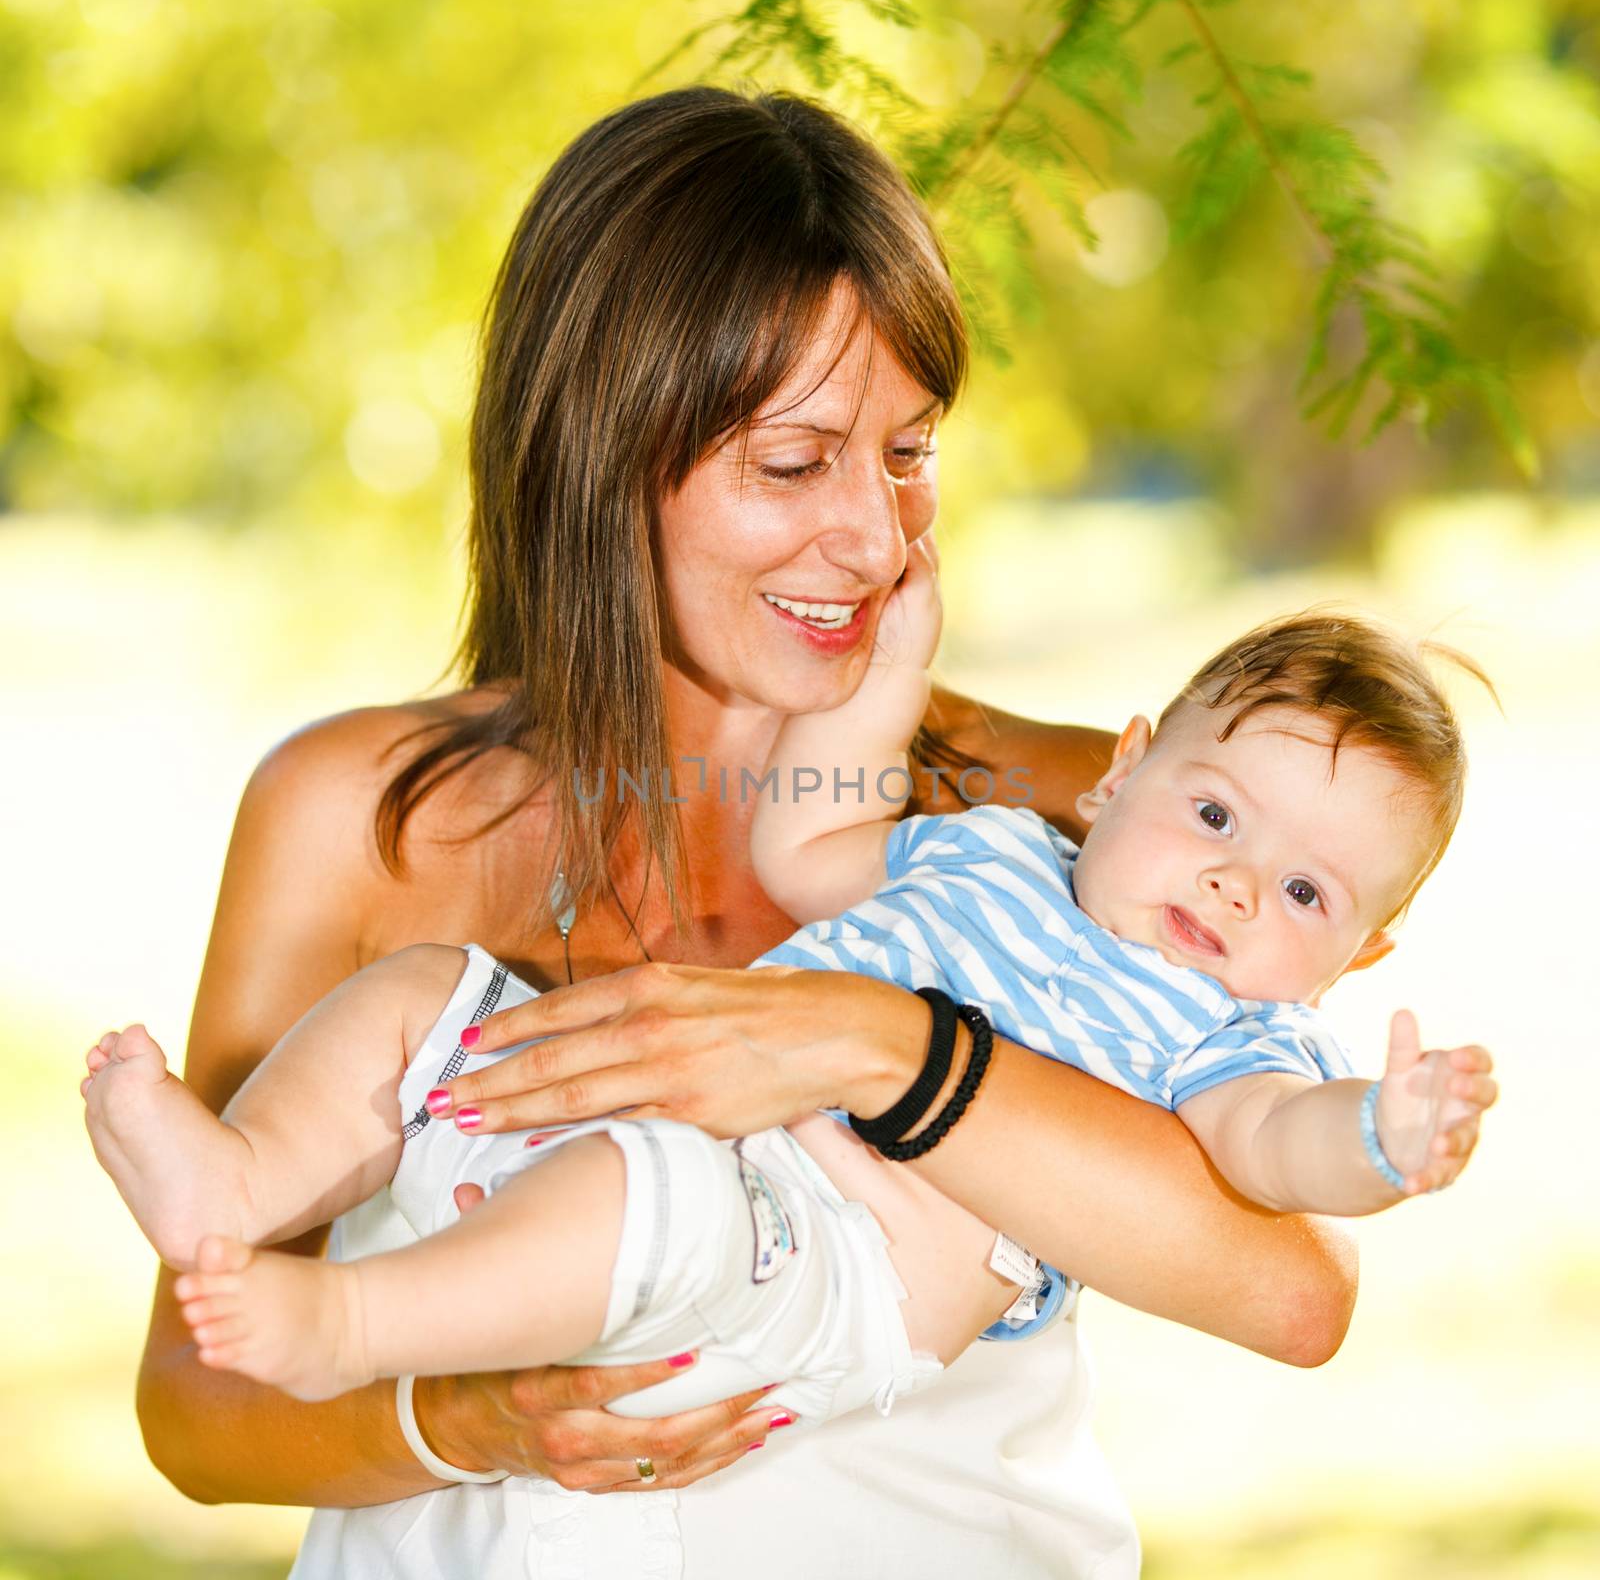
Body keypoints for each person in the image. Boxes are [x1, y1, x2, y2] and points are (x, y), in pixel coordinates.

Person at [131, 85, 1373, 1579]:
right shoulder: (363, 816)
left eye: (909, 453)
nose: (874, 538)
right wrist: (473, 1421)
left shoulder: (1057, 806)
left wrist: (886, 1049)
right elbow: (197, 1406)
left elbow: (1294, 1291)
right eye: (794, 464)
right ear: (599, 453)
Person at [83, 608, 1498, 1420]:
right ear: (1121, 773)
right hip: (661, 1111)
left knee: (646, 1198)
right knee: (422, 992)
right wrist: (881, 690)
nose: (1239, 888)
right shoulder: (999, 844)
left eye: (1308, 893)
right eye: (1212, 815)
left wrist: (1378, 1133)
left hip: (831, 1258)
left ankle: (351, 1325)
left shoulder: (1225, 1032)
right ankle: (242, 1175)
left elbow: (1268, 1153)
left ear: (1362, 953)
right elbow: (812, 853)